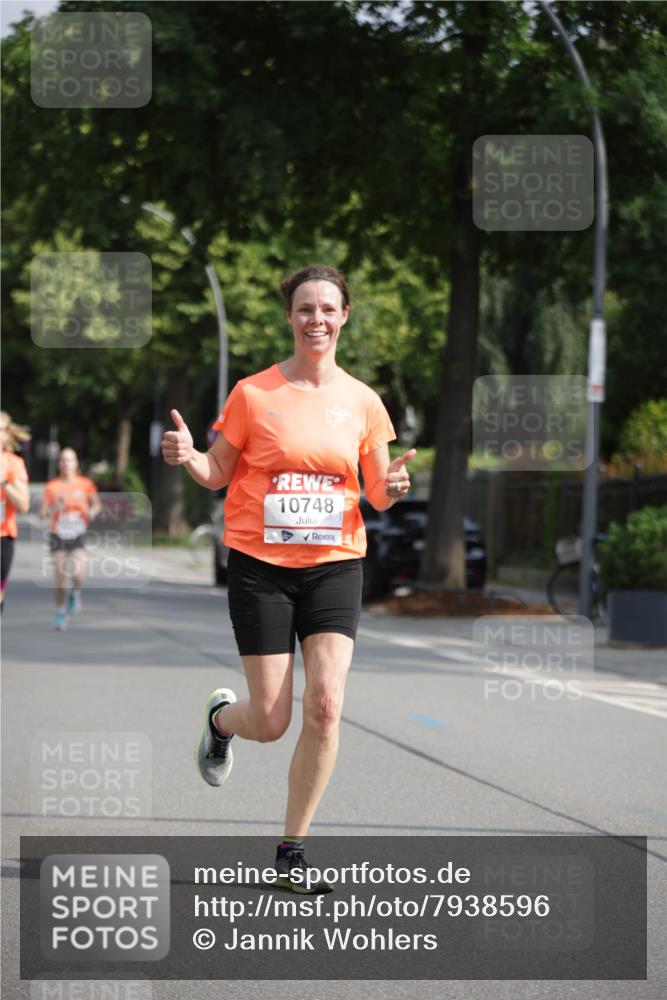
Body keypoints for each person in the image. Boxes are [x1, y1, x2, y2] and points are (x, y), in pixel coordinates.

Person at [161, 264, 415, 892]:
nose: (317, 320)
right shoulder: (254, 393)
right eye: (305, 309)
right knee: (272, 722)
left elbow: (377, 494)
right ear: (290, 317)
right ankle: (224, 722)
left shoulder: (362, 401)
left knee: (326, 705)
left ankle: (291, 852)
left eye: (328, 309)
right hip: (260, 568)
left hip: (334, 565)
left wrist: (395, 485)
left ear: (344, 316)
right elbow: (219, 471)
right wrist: (190, 456)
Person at [41, 448, 101, 630]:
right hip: (58, 534)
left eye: (69, 460)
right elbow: (42, 513)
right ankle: (60, 612)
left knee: (77, 573)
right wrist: (54, 508)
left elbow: (96, 504)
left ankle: (75, 593)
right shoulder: (52, 486)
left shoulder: (85, 484)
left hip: (78, 533)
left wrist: (91, 512)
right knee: (59, 578)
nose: (66, 464)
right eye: (63, 460)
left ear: (76, 464)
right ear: (59, 464)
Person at [0, 412, 31, 611]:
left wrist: (4, 482)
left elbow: (24, 505)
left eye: (1, 430)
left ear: (7, 435)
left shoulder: (14, 464)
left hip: (3, 537)